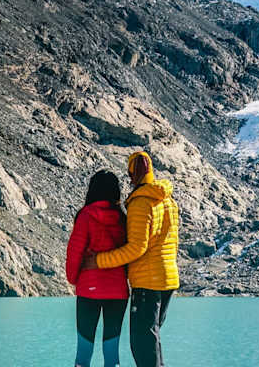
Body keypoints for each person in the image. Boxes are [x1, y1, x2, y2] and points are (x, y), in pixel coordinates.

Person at [82, 151, 179, 367]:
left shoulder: (140, 202)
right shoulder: (168, 200)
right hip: (169, 280)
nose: (130, 178)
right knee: (152, 339)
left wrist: (97, 261)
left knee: (142, 344)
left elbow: (136, 248)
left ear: (133, 174)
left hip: (148, 282)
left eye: (130, 174)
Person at [66, 170, 130, 367]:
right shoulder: (122, 218)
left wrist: (73, 278)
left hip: (89, 290)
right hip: (118, 291)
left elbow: (75, 251)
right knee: (112, 351)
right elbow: (129, 253)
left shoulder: (85, 215)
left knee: (84, 350)